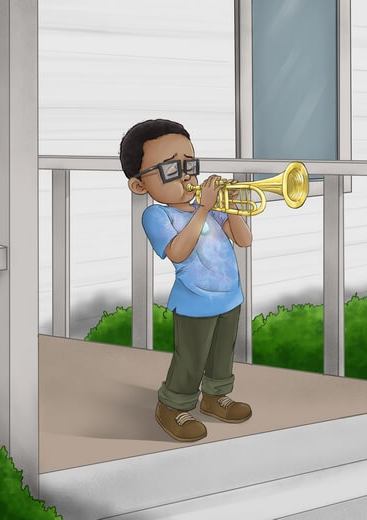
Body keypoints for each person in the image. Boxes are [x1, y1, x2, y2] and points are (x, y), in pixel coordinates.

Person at [120, 119, 253, 442]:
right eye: (171, 170)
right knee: (191, 358)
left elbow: (244, 240)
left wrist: (230, 206)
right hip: (194, 299)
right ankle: (173, 405)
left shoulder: (207, 208)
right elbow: (178, 252)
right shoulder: (158, 215)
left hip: (229, 296)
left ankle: (215, 396)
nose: (187, 176)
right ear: (140, 186)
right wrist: (204, 210)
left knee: (222, 354)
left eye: (189, 165)